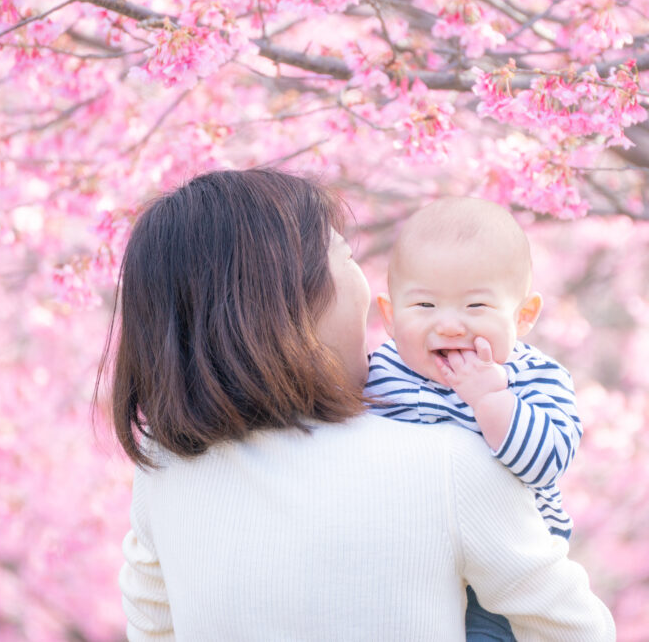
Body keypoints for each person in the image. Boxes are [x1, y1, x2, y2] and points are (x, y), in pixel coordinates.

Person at [105, 169, 615, 641]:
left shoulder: (163, 473)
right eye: (346, 257)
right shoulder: (449, 462)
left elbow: (152, 630)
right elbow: (577, 632)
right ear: (289, 303)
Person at [365, 197, 583, 641]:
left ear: (522, 317)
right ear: (389, 316)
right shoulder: (379, 372)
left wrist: (492, 402)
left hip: (503, 566)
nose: (448, 325)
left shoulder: (532, 377)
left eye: (476, 307)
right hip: (407, 558)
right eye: (424, 306)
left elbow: (549, 460)